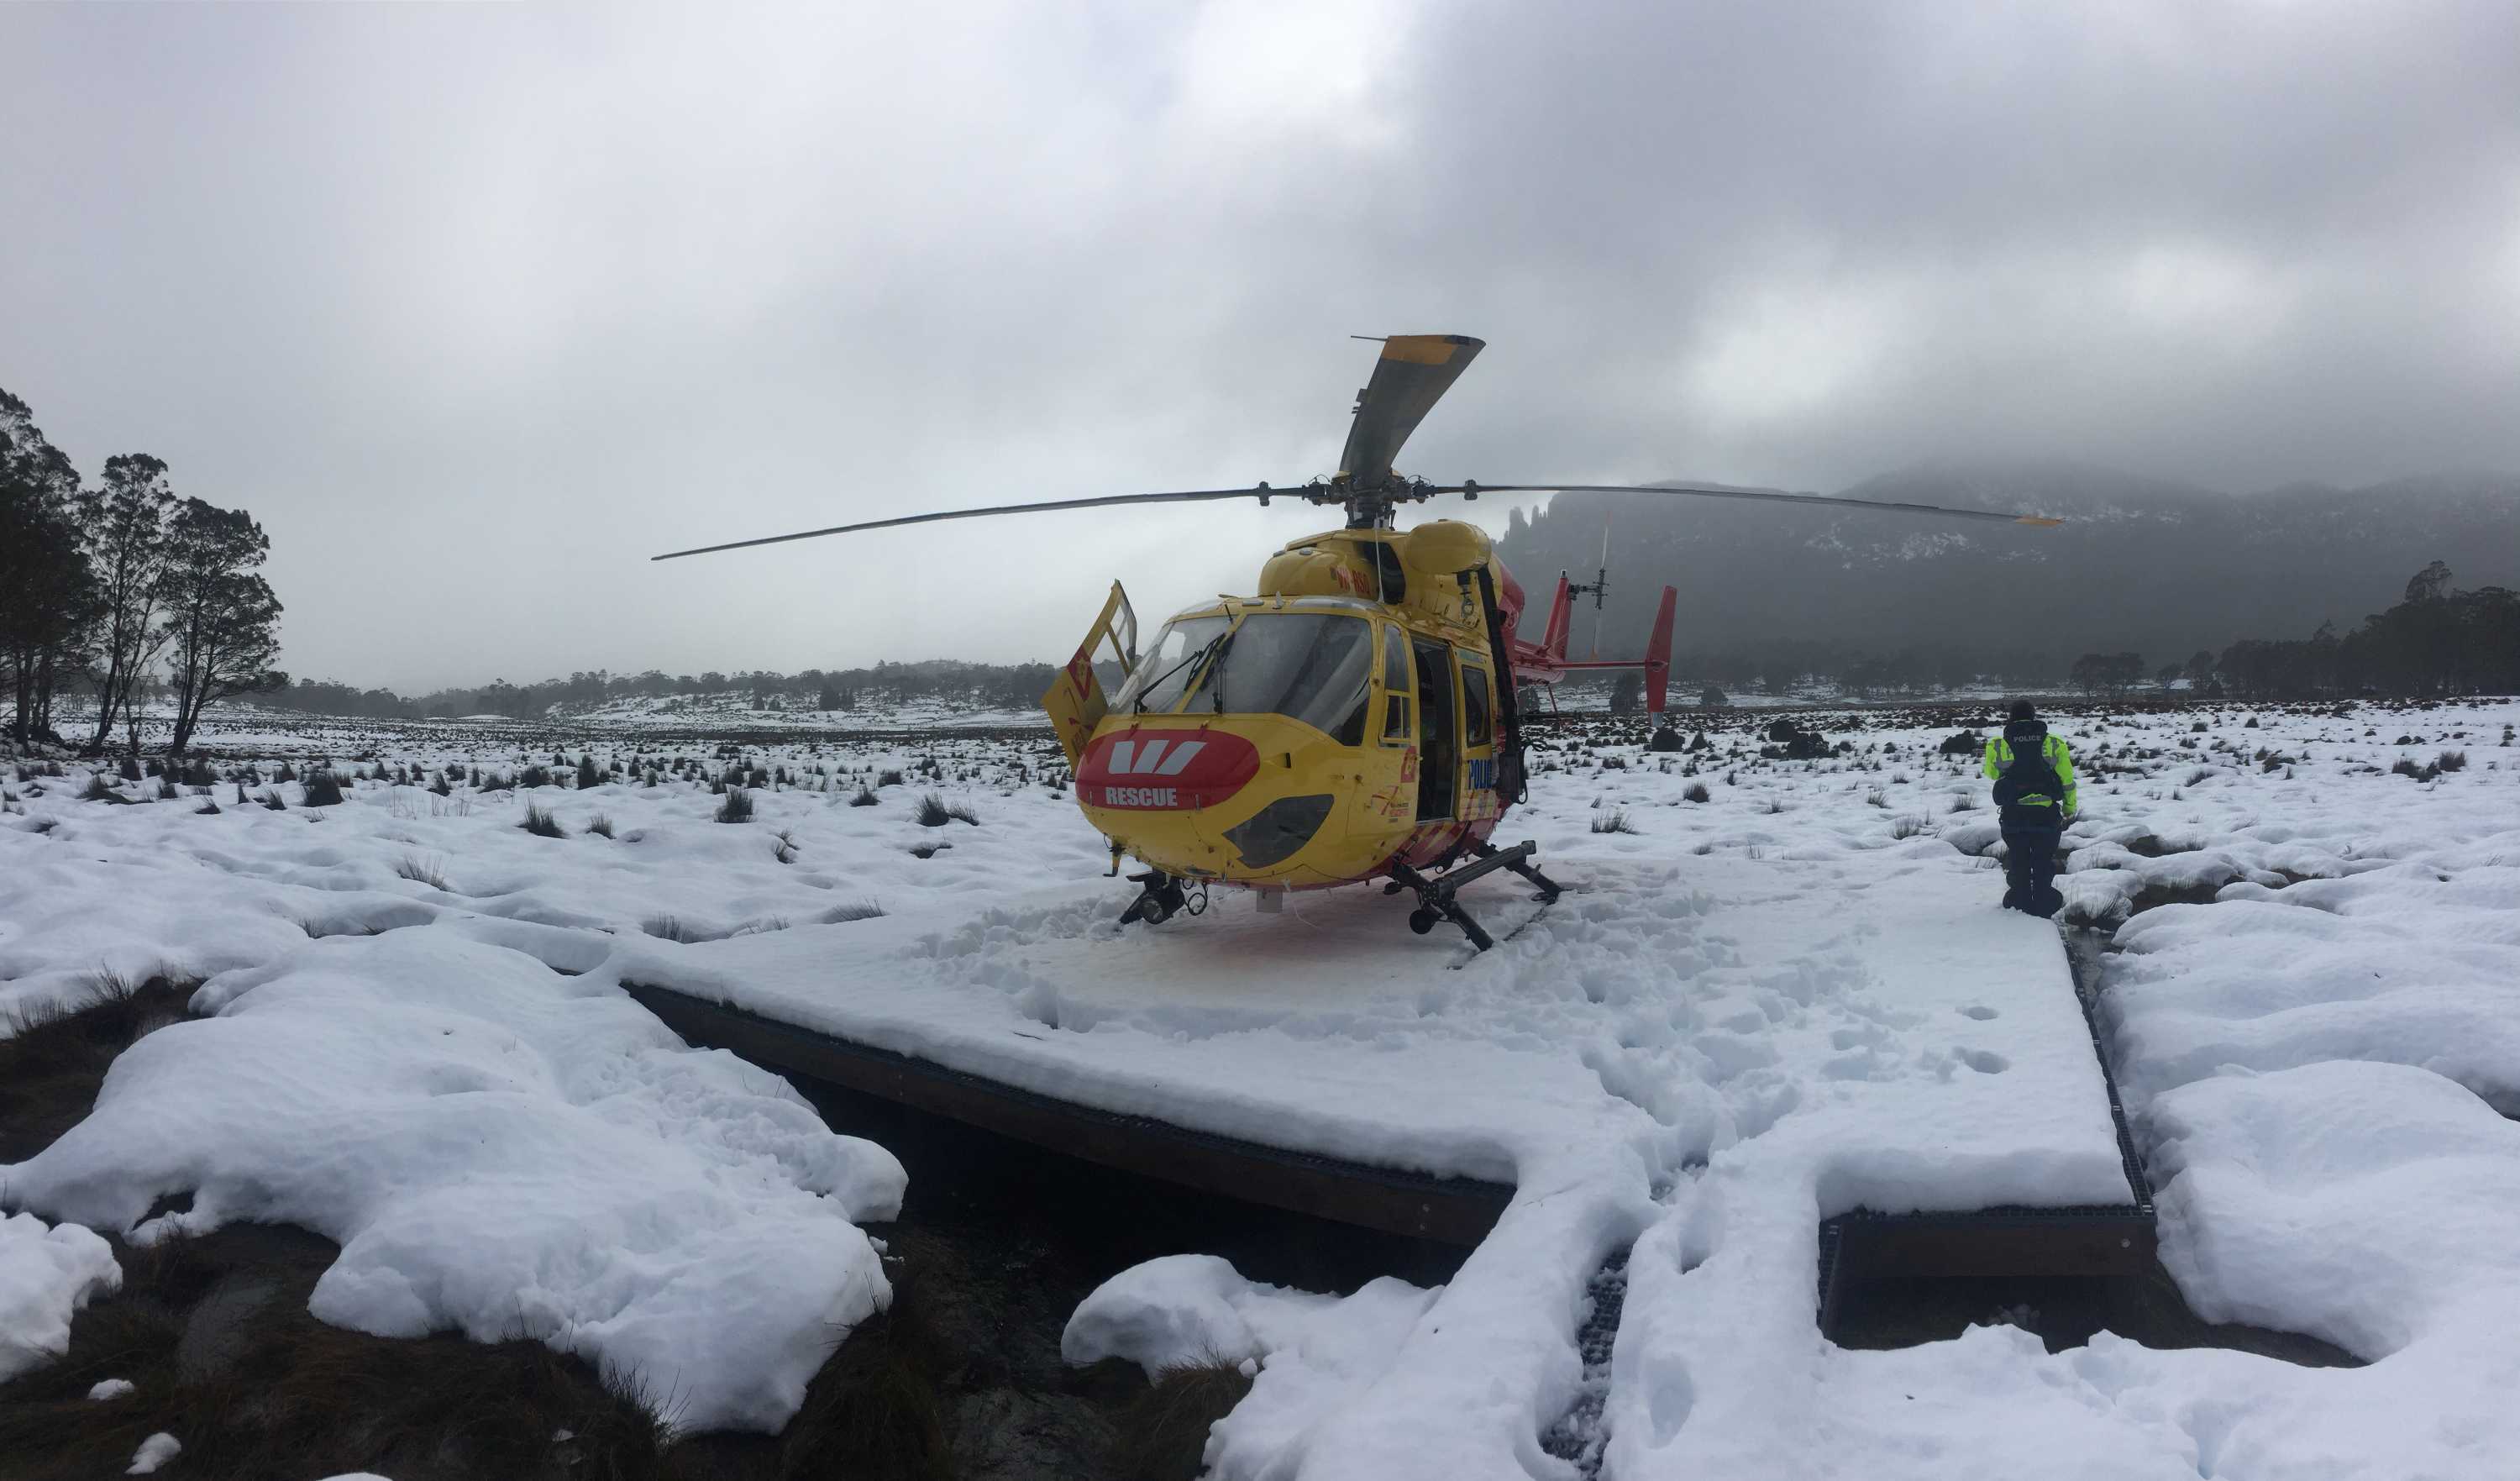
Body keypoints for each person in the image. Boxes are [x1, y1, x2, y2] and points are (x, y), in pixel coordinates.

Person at [1982, 699, 2076, 917]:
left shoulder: (1997, 744)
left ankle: (2019, 901)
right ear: (2034, 717)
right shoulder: (2054, 743)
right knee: (2043, 861)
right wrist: (2069, 806)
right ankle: (2044, 902)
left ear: (2011, 718)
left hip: (2014, 816)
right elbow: (2067, 780)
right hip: (2046, 816)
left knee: (2018, 859)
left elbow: (1993, 774)